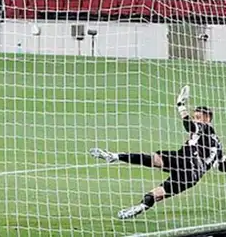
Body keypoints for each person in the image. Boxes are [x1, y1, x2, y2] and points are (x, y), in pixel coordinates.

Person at [90, 85, 224, 219]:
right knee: (154, 172)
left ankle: (115, 159)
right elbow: (220, 165)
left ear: (207, 119)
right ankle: (138, 204)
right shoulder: (217, 144)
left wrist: (180, 105)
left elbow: (190, 126)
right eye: (194, 117)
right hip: (187, 168)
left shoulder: (206, 128)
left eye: (198, 117)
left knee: (154, 175)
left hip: (188, 165)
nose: (195, 120)